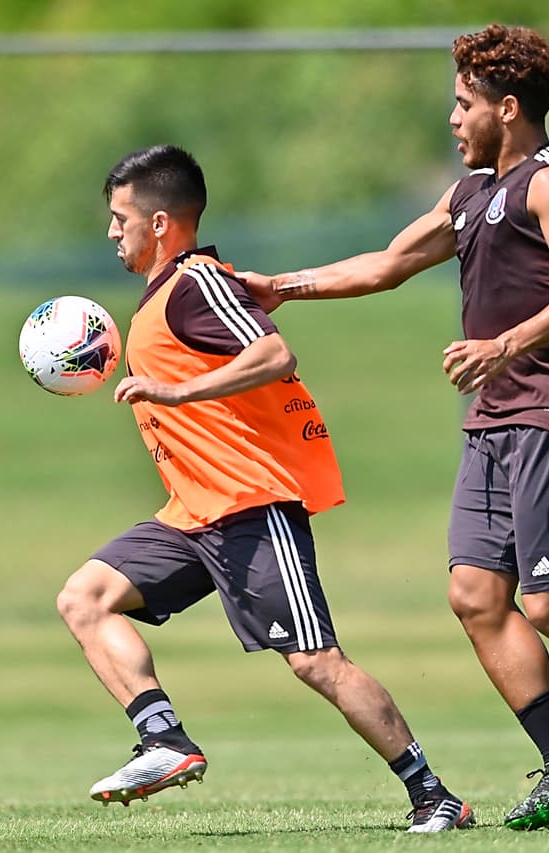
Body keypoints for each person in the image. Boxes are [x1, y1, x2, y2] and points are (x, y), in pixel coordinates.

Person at [242, 24, 549, 829]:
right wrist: (283, 285)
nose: (452, 117)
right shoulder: (471, 192)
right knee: (475, 594)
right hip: (495, 418)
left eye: (463, 102)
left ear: (507, 108)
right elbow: (388, 262)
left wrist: (504, 343)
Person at [55, 145, 473, 833]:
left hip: (249, 507)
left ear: (161, 222)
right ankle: (164, 739)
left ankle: (435, 795)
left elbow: (275, 353)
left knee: (316, 662)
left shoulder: (197, 281)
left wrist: (175, 389)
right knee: (84, 597)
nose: (111, 231)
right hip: (191, 514)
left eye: (119, 217)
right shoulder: (165, 295)